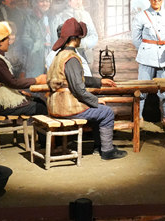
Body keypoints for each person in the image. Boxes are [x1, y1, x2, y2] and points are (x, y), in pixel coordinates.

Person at [47, 18, 127, 160]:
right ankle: (107, 151)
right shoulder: (71, 58)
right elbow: (78, 89)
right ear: (74, 39)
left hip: (56, 106)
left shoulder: (59, 55)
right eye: (79, 37)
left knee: (99, 111)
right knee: (107, 112)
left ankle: (99, 146)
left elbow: (75, 80)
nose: (80, 40)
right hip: (67, 108)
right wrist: (95, 100)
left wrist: (99, 82)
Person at [0, 21, 47, 116]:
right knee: (40, 107)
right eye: (7, 38)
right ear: (0, 41)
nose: (9, 42)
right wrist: (37, 80)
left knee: (37, 100)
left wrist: (19, 92)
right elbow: (12, 82)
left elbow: (3, 83)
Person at [51, 0, 98, 65]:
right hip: (66, 55)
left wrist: (83, 43)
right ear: (69, 2)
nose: (78, 2)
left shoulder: (86, 16)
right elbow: (55, 38)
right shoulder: (60, 17)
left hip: (84, 54)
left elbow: (94, 36)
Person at [23, 0, 54, 77]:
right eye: (41, 1)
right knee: (35, 80)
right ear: (36, 3)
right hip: (35, 57)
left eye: (47, 1)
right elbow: (24, 38)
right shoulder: (29, 18)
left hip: (51, 55)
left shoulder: (52, 18)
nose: (45, 4)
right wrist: (37, 45)